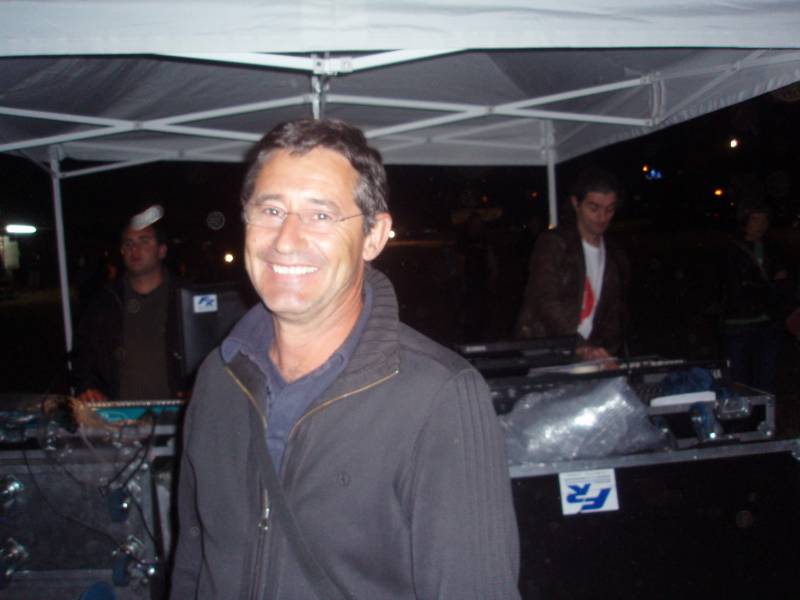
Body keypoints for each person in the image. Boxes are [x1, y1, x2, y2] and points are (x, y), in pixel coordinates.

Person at [170, 119, 520, 600]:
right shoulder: (217, 378)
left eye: (320, 215)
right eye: (271, 210)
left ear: (374, 236)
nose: (286, 239)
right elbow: (194, 564)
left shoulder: (438, 397)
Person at [71, 206, 185, 401]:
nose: (135, 249)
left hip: (178, 412)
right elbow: (83, 354)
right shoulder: (104, 302)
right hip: (119, 414)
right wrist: (88, 386)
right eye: (128, 243)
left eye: (144, 241)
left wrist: (196, 389)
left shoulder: (184, 298)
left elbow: (208, 354)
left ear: (162, 250)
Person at [515, 168, 629, 361]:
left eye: (609, 209)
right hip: (547, 352)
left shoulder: (614, 255)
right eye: (594, 208)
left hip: (589, 355)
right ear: (576, 203)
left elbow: (613, 314)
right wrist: (579, 345)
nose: (602, 217)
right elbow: (545, 301)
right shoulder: (554, 243)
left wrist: (605, 350)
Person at [721, 205, 791, 392]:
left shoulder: (774, 248)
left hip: (769, 323)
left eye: (764, 220)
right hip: (738, 323)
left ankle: (763, 411)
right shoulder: (732, 250)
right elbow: (734, 286)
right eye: (755, 219)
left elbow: (785, 281)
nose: (761, 225)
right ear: (745, 221)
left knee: (766, 382)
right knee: (739, 382)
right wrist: (767, 285)